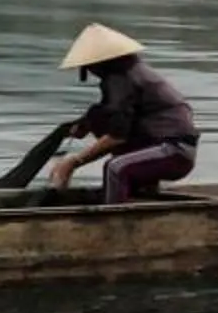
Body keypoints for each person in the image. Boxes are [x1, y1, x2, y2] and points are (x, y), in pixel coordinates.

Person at [47, 24, 200, 203]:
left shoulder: (123, 79)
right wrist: (85, 125)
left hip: (174, 151)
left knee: (115, 168)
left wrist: (72, 163)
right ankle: (142, 192)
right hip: (158, 145)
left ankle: (112, 222)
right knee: (97, 115)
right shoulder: (126, 75)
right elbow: (110, 114)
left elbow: (117, 136)